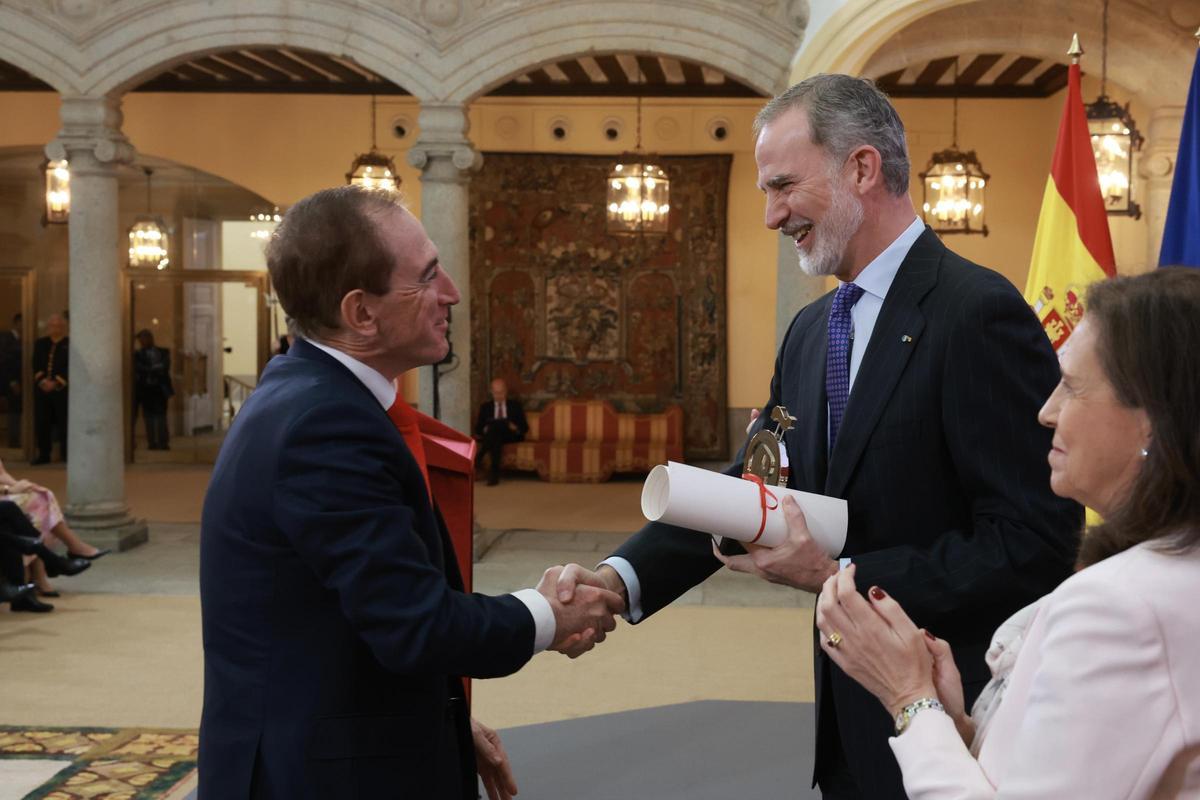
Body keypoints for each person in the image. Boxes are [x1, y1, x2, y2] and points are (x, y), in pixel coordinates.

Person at [555, 74, 1082, 799]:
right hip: (844, 717)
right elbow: (750, 490)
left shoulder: (976, 313)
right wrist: (617, 581)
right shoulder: (811, 331)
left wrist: (841, 577)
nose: (771, 216)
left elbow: (1034, 544)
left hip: (953, 718)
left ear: (861, 169)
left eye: (782, 187)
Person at [198, 186, 623, 800]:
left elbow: (353, 617)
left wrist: (445, 721)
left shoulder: (313, 397)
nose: (450, 292)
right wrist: (548, 615)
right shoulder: (323, 426)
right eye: (425, 278)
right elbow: (416, 623)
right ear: (361, 313)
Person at [817, 268, 1200, 799]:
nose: (1046, 411)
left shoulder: (1122, 608)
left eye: (1071, 386)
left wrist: (909, 697)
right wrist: (959, 724)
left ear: (1153, 420)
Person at [475, 378, 528, 486]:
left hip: (510, 435)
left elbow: (525, 428)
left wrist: (515, 427)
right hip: (495, 436)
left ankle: (480, 456)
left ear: (506, 391)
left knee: (497, 427)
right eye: (496, 393)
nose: (499, 396)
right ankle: (494, 475)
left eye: (501, 392)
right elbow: (478, 428)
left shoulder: (515, 406)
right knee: (495, 432)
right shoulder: (485, 407)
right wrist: (484, 429)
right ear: (492, 392)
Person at [31, 312, 68, 464]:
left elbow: (69, 367)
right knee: (42, 423)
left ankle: (66, 455)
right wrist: (43, 382)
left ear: (63, 327)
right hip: (42, 391)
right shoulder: (41, 343)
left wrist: (57, 382)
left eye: (58, 325)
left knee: (64, 423)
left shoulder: (69, 343)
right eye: (52, 325)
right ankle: (44, 455)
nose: (55, 327)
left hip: (62, 391)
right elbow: (35, 363)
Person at [133, 329, 174, 450]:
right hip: (145, 389)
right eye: (141, 340)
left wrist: (150, 368)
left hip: (160, 388)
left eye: (144, 339)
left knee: (161, 416)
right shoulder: (138, 354)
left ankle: (163, 442)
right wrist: (154, 368)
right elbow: (139, 368)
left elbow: (165, 366)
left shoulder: (163, 352)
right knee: (148, 417)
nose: (142, 342)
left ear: (150, 338)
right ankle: (152, 443)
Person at [0, 313, 21, 449]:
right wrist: (12, 381)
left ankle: (14, 440)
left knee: (15, 409)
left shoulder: (24, 338)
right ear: (17, 323)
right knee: (13, 409)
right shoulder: (6, 337)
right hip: (6, 380)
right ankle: (13, 440)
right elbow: (5, 360)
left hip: (19, 380)